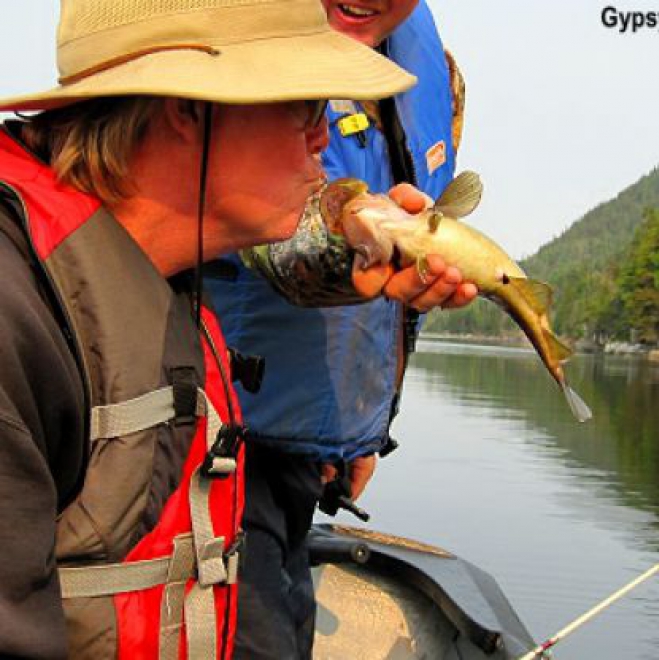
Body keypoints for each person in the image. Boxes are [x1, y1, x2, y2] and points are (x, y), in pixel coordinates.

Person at [0, 0, 423, 657]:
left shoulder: (157, 284)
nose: (322, 139)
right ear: (188, 108)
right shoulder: (13, 318)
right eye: (306, 106)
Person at [206, 1, 471, 657]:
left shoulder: (436, 74)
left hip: (307, 441)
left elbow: (406, 283)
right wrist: (350, 230)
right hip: (209, 441)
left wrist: (361, 427)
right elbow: (268, 223)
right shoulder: (226, 38)